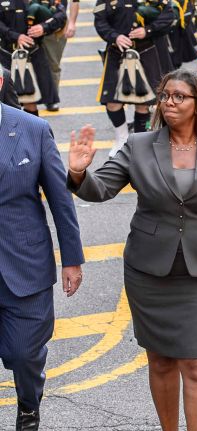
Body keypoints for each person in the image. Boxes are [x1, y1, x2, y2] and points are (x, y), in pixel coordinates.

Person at [67, 69, 197, 430]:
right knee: (161, 362)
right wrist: (78, 174)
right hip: (149, 273)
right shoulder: (139, 145)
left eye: (179, 96)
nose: (169, 102)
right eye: (165, 95)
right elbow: (100, 190)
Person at [0, 71, 84, 430]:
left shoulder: (32, 129)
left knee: (23, 353)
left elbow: (60, 200)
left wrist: (72, 259)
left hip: (24, 263)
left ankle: (29, 405)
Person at [94, 0, 175, 158]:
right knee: (112, 101)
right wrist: (115, 36)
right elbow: (100, 20)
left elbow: (169, 15)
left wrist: (148, 30)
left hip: (146, 50)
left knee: (143, 104)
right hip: (117, 51)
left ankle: (139, 144)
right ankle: (122, 138)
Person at [0, 0, 66, 116]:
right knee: (6, 102)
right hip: (6, 55)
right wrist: (15, 36)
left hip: (32, 53)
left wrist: (44, 27)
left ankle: (30, 132)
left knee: (30, 100)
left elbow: (60, 15)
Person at [41, 0, 81, 111]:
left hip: (56, 26)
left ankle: (52, 99)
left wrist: (72, 23)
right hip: (30, 22)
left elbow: (75, 1)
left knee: (53, 65)